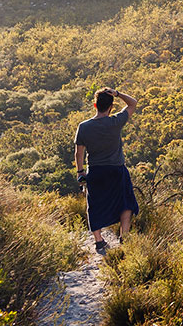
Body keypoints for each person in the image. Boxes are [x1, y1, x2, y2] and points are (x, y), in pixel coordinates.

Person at [73, 86, 140, 254]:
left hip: (95, 172)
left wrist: (80, 172)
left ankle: (99, 241)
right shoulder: (115, 122)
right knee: (126, 204)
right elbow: (133, 103)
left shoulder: (84, 127)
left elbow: (78, 152)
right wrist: (118, 93)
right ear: (111, 107)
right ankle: (124, 237)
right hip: (117, 170)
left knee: (94, 205)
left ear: (95, 105)